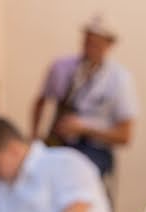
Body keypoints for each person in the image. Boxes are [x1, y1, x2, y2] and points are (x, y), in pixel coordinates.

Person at [29, 15, 138, 178]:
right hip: (58, 142)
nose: (90, 48)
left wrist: (84, 129)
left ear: (109, 44)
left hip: (94, 149)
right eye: (88, 41)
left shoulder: (119, 79)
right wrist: (35, 136)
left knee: (77, 176)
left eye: (97, 43)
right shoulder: (62, 67)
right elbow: (41, 101)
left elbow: (125, 136)